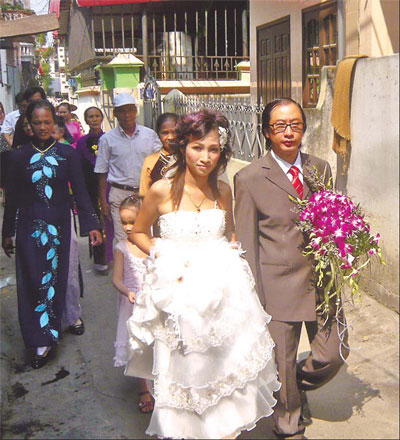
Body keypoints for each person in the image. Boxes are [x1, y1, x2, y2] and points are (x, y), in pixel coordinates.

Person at [124, 109, 280, 439]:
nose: (205, 157)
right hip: (178, 296)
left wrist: (232, 253)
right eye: (197, 147)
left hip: (221, 293)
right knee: (188, 371)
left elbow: (230, 233)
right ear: (183, 148)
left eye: (213, 149)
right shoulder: (161, 191)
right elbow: (137, 232)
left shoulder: (223, 191)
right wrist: (163, 254)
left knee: (223, 366)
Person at [234, 98, 349, 439]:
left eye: (295, 125)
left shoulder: (320, 168)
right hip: (277, 283)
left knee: (335, 353)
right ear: (267, 132)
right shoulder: (250, 177)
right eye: (280, 126)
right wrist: (255, 295)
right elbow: (246, 239)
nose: (289, 132)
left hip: (321, 281)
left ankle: (298, 383)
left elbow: (333, 220)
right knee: (281, 362)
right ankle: (289, 422)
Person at [2, 100, 102, 370]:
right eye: (38, 123)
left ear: (54, 124)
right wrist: (7, 232)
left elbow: (80, 191)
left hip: (60, 225)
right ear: (29, 126)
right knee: (32, 280)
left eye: (48, 122)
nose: (43, 127)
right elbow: (11, 198)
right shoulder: (18, 156)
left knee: (57, 278)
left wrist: (91, 224)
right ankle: (37, 339)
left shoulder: (67, 154)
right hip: (28, 227)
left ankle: (50, 337)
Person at [94, 93, 162, 243]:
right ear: (115, 113)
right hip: (119, 194)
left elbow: (161, 163)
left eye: (130, 110)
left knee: (147, 237)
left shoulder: (149, 135)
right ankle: (123, 267)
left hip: (145, 194)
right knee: (123, 240)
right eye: (122, 111)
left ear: (136, 111)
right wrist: (103, 202)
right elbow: (101, 172)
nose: (127, 115)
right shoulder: (107, 139)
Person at [112, 195, 154, 413]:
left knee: (156, 343)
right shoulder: (121, 248)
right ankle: (143, 388)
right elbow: (116, 278)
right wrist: (127, 291)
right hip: (133, 305)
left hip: (155, 303)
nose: (128, 227)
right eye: (124, 222)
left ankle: (162, 383)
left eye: (132, 222)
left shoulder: (155, 244)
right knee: (138, 346)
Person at [76, 106, 113, 273]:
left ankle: (112, 255)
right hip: (90, 186)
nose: (95, 119)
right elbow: (82, 164)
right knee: (96, 221)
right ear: (86, 120)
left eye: (97, 116)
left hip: (108, 184)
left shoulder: (109, 138)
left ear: (102, 118)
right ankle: (99, 257)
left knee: (110, 220)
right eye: (91, 116)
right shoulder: (82, 142)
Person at [139, 112, 178, 196]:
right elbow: (144, 193)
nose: (171, 137)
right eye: (165, 133)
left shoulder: (187, 158)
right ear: (158, 134)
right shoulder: (151, 161)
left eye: (175, 132)